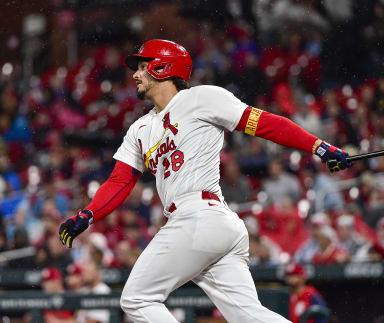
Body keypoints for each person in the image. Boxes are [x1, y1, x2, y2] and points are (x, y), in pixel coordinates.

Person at [58, 39, 351, 323]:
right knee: (249, 316)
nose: (135, 74)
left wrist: (318, 146)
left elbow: (263, 123)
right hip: (212, 225)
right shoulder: (140, 128)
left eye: (142, 66)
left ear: (162, 67)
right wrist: (88, 214)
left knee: (136, 298)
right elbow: (120, 181)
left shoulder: (201, 97)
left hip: (198, 217)